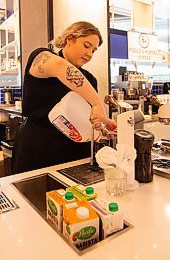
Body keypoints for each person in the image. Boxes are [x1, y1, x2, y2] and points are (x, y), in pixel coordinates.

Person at [12, 21, 117, 174]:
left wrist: (99, 127)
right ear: (69, 39)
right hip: (37, 148)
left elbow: (86, 117)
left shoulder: (90, 80)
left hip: (73, 152)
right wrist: (96, 103)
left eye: (94, 50)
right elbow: (61, 67)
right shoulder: (42, 58)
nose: (90, 54)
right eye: (86, 46)